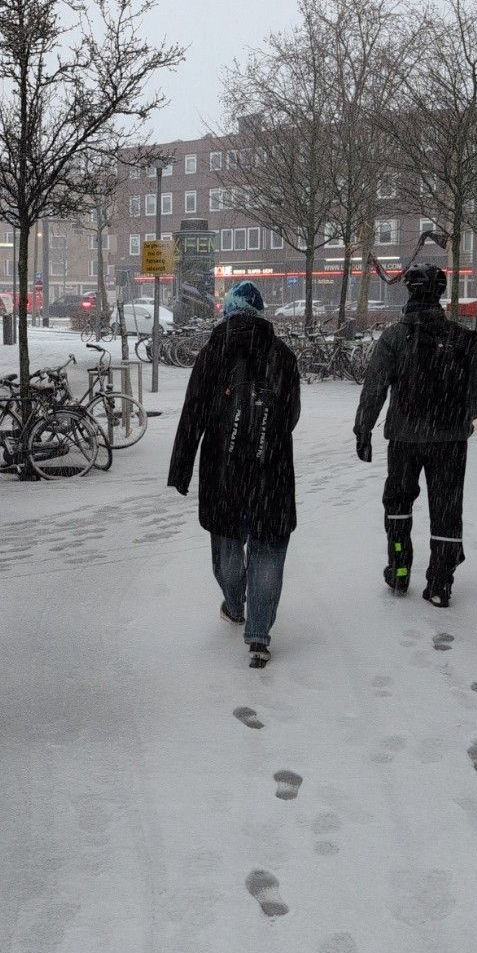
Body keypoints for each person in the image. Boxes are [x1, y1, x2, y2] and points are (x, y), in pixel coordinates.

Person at [168, 280, 301, 668]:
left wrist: (182, 469)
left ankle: (233, 603)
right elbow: (290, 416)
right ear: (260, 314)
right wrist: (264, 437)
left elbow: (193, 414)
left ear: (226, 312)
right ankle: (259, 633)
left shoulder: (212, 354)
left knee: (227, 541)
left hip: (222, 469)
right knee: (267, 546)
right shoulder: (282, 356)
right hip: (271, 468)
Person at [353, 264, 477, 608]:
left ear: (410, 293)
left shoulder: (395, 337)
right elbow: (475, 396)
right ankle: (440, 581)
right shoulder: (463, 338)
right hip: (450, 441)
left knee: (398, 504)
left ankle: (398, 566)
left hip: (404, 439)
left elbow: (374, 388)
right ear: (440, 294)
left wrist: (363, 429)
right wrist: (458, 423)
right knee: (446, 508)